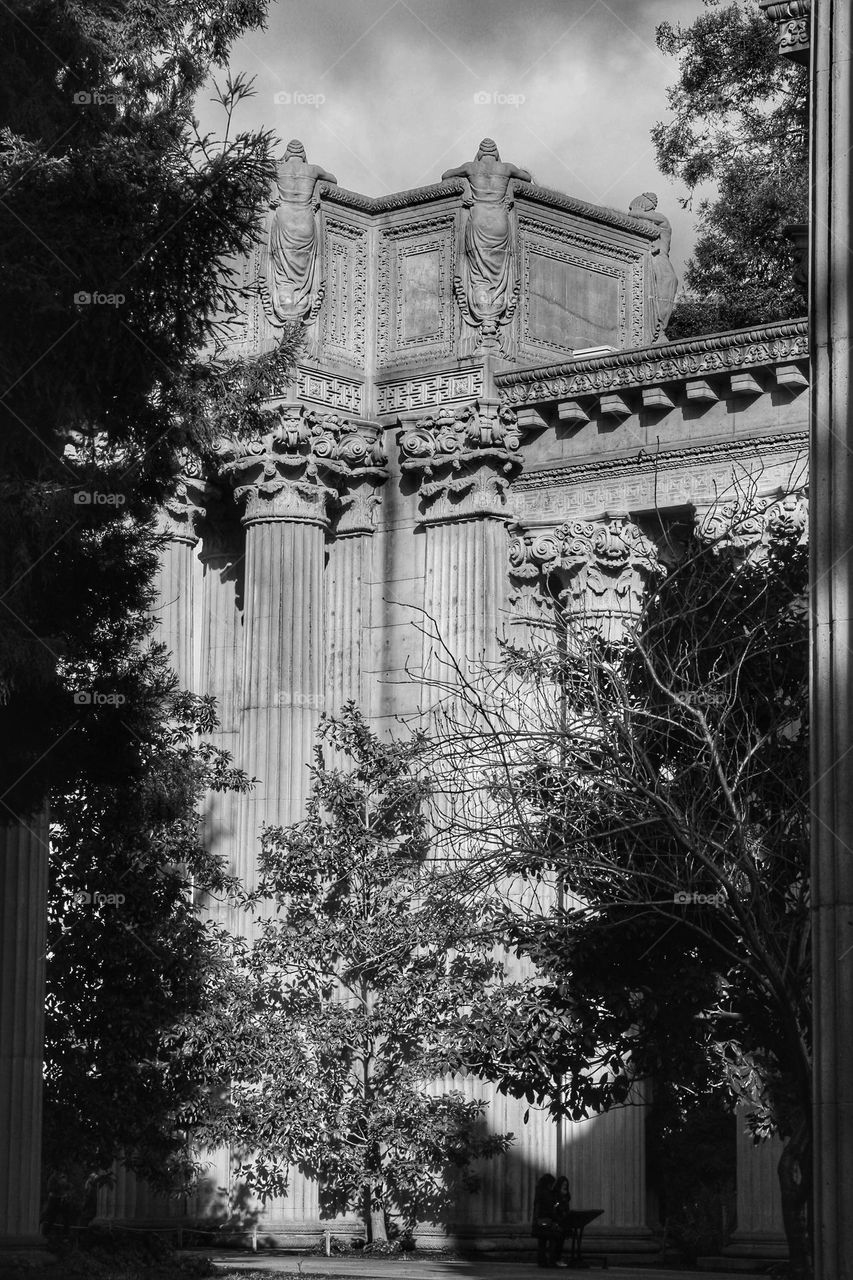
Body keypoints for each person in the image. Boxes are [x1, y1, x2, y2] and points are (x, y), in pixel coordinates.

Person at [530, 1172, 558, 1268]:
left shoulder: (539, 1192)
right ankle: (551, 1261)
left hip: (541, 1220)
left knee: (542, 1242)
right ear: (549, 1183)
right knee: (552, 1240)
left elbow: (537, 1207)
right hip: (547, 1219)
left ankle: (542, 1261)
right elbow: (551, 1207)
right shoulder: (548, 1194)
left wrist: (536, 1219)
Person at [550, 1176, 572, 1267]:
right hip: (556, 1221)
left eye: (566, 1185)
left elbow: (566, 1209)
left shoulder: (566, 1196)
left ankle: (557, 1258)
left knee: (561, 1238)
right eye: (563, 1184)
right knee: (557, 1239)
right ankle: (555, 1259)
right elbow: (554, 1207)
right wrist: (560, 1201)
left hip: (563, 1221)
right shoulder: (555, 1195)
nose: (565, 1186)